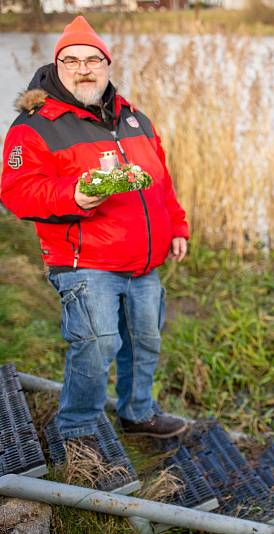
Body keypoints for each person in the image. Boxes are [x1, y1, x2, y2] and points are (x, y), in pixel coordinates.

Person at [1, 17, 189, 443]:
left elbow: (162, 180)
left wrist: (177, 225)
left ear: (106, 65)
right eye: (72, 60)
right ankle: (79, 431)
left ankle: (138, 413)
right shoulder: (35, 126)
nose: (83, 68)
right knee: (97, 345)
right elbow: (16, 192)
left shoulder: (133, 118)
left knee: (145, 343)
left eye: (93, 59)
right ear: (57, 66)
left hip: (144, 261)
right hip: (85, 262)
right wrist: (75, 196)